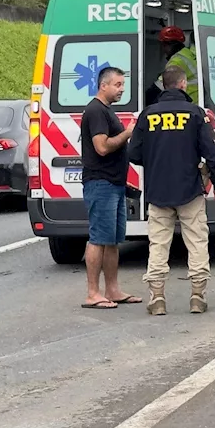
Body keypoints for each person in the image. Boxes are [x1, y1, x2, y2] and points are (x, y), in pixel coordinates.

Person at [128, 64, 215, 315]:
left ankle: (157, 298)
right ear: (183, 84)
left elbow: (133, 153)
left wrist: (154, 163)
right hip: (190, 189)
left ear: (163, 84)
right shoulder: (195, 113)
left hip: (158, 190)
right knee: (196, 241)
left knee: (158, 244)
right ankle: (197, 296)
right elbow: (211, 152)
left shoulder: (147, 114)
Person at [79, 67, 140, 309]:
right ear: (103, 85)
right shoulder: (96, 111)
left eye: (122, 84)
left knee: (113, 240)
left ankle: (112, 290)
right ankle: (93, 293)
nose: (121, 89)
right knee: (98, 239)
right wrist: (127, 133)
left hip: (114, 183)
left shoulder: (106, 111)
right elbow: (102, 147)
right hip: (100, 183)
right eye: (117, 84)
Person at [157, 26, 197, 101]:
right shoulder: (188, 54)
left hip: (188, 105)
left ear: (167, 45)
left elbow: (158, 87)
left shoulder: (177, 61)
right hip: (195, 104)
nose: (163, 49)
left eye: (163, 45)